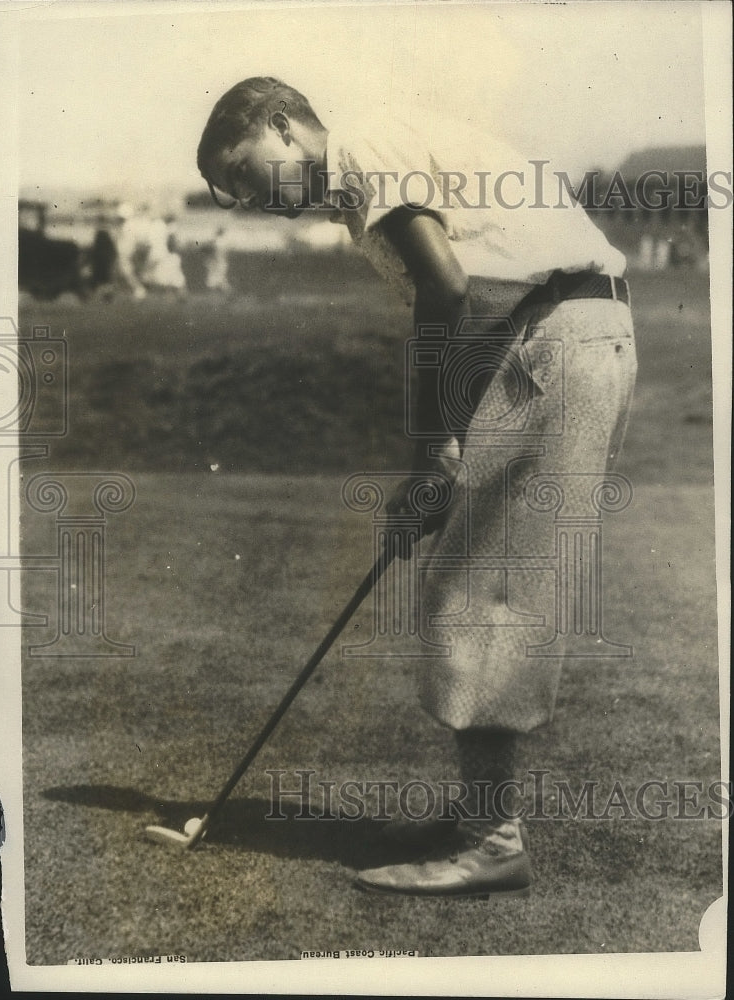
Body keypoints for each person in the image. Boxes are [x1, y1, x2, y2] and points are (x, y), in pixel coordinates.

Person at [197, 77, 637, 898]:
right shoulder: (364, 177)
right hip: (551, 339)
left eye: (250, 173)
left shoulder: (365, 146)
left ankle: (490, 842)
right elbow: (477, 310)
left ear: (284, 127)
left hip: (559, 340)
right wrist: (447, 457)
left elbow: (444, 289)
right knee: (471, 579)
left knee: (483, 590)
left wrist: (427, 444)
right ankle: (475, 816)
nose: (257, 201)